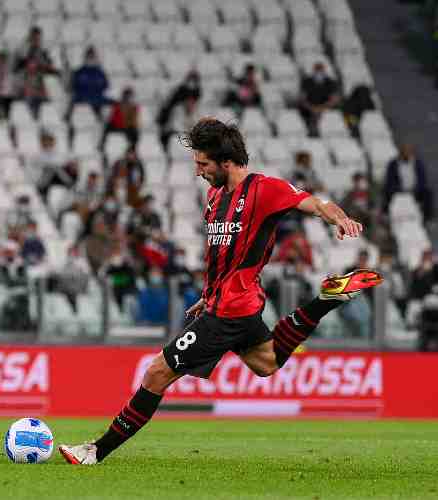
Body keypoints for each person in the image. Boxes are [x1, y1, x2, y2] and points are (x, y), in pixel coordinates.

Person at [59, 118, 383, 465]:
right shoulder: (215, 197)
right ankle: (324, 301)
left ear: (225, 162)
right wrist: (209, 293)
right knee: (267, 362)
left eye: (203, 164)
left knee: (157, 373)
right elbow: (222, 254)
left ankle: (96, 451)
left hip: (232, 310)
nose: (198, 171)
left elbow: (316, 204)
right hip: (229, 303)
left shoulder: (265, 190)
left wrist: (340, 219)